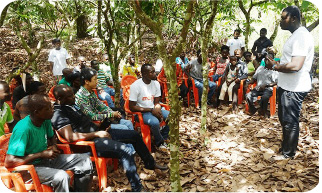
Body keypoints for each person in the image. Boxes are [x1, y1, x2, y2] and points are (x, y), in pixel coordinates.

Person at [52, 85, 167, 192]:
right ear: (60, 98)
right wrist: (97, 134)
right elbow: (70, 137)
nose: (74, 97)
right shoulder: (58, 113)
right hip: (89, 143)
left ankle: (150, 164)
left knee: (134, 135)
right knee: (125, 150)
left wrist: (102, 125)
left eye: (73, 94)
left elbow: (84, 124)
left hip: (97, 134)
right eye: (70, 96)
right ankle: (137, 187)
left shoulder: (70, 105)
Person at [5, 94, 93, 192]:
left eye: (52, 106)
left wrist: (53, 146)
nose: (53, 110)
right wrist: (41, 154)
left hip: (44, 160)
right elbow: (9, 162)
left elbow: (51, 137)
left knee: (84, 160)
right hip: (27, 169)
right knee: (61, 177)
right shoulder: (23, 129)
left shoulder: (45, 120)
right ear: (37, 112)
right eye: (48, 108)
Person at [265, 6, 314, 159]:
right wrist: (276, 63)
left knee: (290, 120)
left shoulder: (301, 36)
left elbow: (296, 65)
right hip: (287, 86)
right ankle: (287, 146)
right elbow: (290, 60)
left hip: (294, 87)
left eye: (283, 18)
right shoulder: (296, 35)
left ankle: (288, 154)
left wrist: (274, 66)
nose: (280, 21)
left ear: (293, 18)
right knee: (284, 118)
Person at [129, 64, 170, 150]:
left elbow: (156, 101)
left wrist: (157, 109)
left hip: (153, 109)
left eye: (154, 71)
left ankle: (164, 137)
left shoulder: (156, 83)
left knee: (171, 116)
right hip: (141, 112)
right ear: (144, 74)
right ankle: (160, 143)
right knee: (154, 122)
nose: (155, 74)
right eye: (152, 72)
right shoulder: (135, 86)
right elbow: (132, 107)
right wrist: (151, 110)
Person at [245, 53, 278, 117]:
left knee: (265, 97)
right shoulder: (260, 68)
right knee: (248, 96)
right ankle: (254, 109)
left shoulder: (275, 71)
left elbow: (276, 82)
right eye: (265, 60)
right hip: (258, 88)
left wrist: (266, 85)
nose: (266, 61)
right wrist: (248, 83)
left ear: (272, 61)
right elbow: (253, 78)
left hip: (268, 89)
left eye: (268, 60)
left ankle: (263, 110)